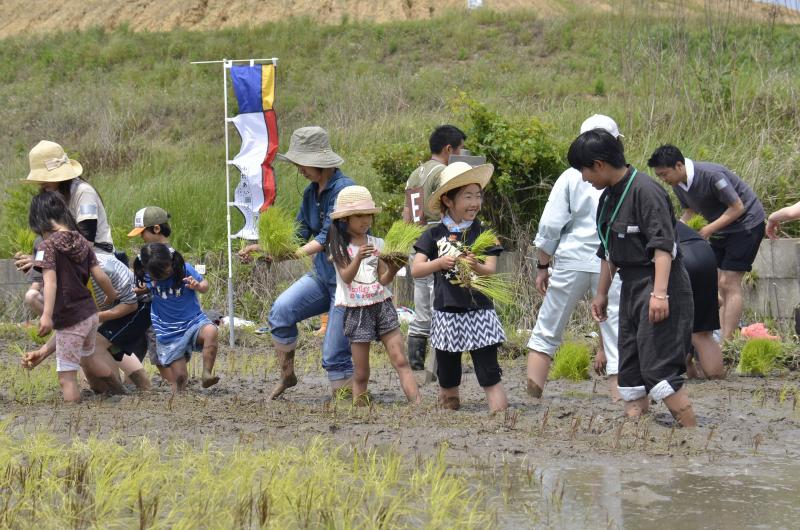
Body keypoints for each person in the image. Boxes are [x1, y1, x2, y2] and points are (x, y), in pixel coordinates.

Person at [570, 130, 697, 427]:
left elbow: (663, 246)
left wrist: (660, 294)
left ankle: (693, 434)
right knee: (630, 364)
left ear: (599, 164)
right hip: (629, 285)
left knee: (658, 366)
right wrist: (601, 294)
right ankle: (636, 434)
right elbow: (608, 249)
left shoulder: (646, 191)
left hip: (658, 282)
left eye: (583, 170)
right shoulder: (608, 197)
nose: (583, 177)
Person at [239, 126, 355, 399]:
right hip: (322, 275)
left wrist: (293, 254)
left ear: (318, 162)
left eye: (302, 164)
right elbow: (299, 233)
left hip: (346, 280)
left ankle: (352, 401)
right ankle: (287, 375)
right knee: (281, 312)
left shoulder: (344, 190)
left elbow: (326, 238)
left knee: (334, 353)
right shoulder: (310, 193)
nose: (300, 169)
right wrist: (265, 249)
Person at [526, 114, 623, 400]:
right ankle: (622, 401)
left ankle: (533, 393)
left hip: (571, 259)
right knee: (616, 329)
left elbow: (550, 225)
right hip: (614, 263)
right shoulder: (624, 175)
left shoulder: (570, 176)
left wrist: (543, 264)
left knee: (548, 328)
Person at [411, 162, 508, 413]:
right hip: (446, 310)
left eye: (478, 196)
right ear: (448, 200)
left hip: (480, 311)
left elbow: (490, 270)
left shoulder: (484, 233)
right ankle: (449, 412)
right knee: (448, 370)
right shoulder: (433, 235)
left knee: (488, 369)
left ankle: (500, 414)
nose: (475, 202)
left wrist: (475, 265)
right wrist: (440, 262)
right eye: (468, 196)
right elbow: (417, 269)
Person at [647, 145, 766, 340]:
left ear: (679, 165)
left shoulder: (712, 175)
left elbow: (737, 207)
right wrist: (674, 230)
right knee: (714, 282)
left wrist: (709, 229)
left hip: (747, 225)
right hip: (722, 228)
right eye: (659, 176)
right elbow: (689, 211)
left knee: (729, 281)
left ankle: (726, 342)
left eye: (665, 174)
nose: (663, 179)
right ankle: (722, 334)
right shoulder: (678, 184)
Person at [21, 192, 124, 402]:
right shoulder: (83, 241)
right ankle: (120, 392)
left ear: (39, 221)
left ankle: (72, 414)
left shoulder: (46, 246)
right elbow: (100, 275)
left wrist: (47, 316)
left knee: (66, 376)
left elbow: (50, 282)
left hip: (71, 318)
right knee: (90, 360)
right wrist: (112, 294)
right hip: (90, 315)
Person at [328, 186, 420, 405]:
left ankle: (418, 406)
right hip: (356, 311)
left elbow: (383, 280)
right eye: (359, 215)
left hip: (382, 305)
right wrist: (358, 257)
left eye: (368, 215)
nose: (365, 220)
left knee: (401, 360)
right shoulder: (339, 248)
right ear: (345, 219)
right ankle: (359, 410)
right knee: (361, 372)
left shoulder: (377, 243)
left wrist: (394, 269)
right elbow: (346, 277)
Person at [403, 125, 466, 370]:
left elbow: (407, 212)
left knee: (422, 305)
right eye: (460, 149)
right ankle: (440, 362)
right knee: (440, 301)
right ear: (449, 149)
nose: (461, 154)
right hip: (437, 242)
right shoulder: (444, 172)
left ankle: (416, 362)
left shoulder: (415, 172)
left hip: (416, 243)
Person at [16, 140, 118, 276]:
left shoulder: (83, 192)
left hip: (96, 258)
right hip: (72, 258)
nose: (41, 183)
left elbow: (87, 240)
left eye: (44, 178)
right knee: (39, 242)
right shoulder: (56, 195)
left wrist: (41, 261)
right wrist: (37, 260)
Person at [139, 243, 219, 391]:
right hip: (168, 331)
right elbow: (138, 287)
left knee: (211, 331)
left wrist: (199, 286)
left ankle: (207, 373)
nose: (165, 274)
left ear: (170, 261)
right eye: (158, 274)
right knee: (180, 377)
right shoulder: (147, 277)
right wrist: (140, 290)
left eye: (166, 269)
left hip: (193, 321)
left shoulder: (184, 269)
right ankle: (178, 404)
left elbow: (205, 284)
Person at [91, 246, 153, 390]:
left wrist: (96, 317)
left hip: (139, 304)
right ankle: (145, 388)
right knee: (114, 347)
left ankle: (117, 392)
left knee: (97, 345)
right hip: (123, 303)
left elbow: (130, 304)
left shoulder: (102, 268)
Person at [129, 206, 177, 383]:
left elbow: (168, 282)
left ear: (156, 229)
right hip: (149, 309)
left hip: (159, 311)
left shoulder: (165, 256)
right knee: (137, 349)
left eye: (143, 233)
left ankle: (175, 386)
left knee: (159, 355)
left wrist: (146, 288)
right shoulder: (155, 253)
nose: (142, 238)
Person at [676, 222, 724, 379]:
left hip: (677, 255)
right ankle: (717, 383)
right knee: (702, 335)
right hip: (704, 251)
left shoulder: (626, 217)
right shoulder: (658, 208)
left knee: (671, 326)